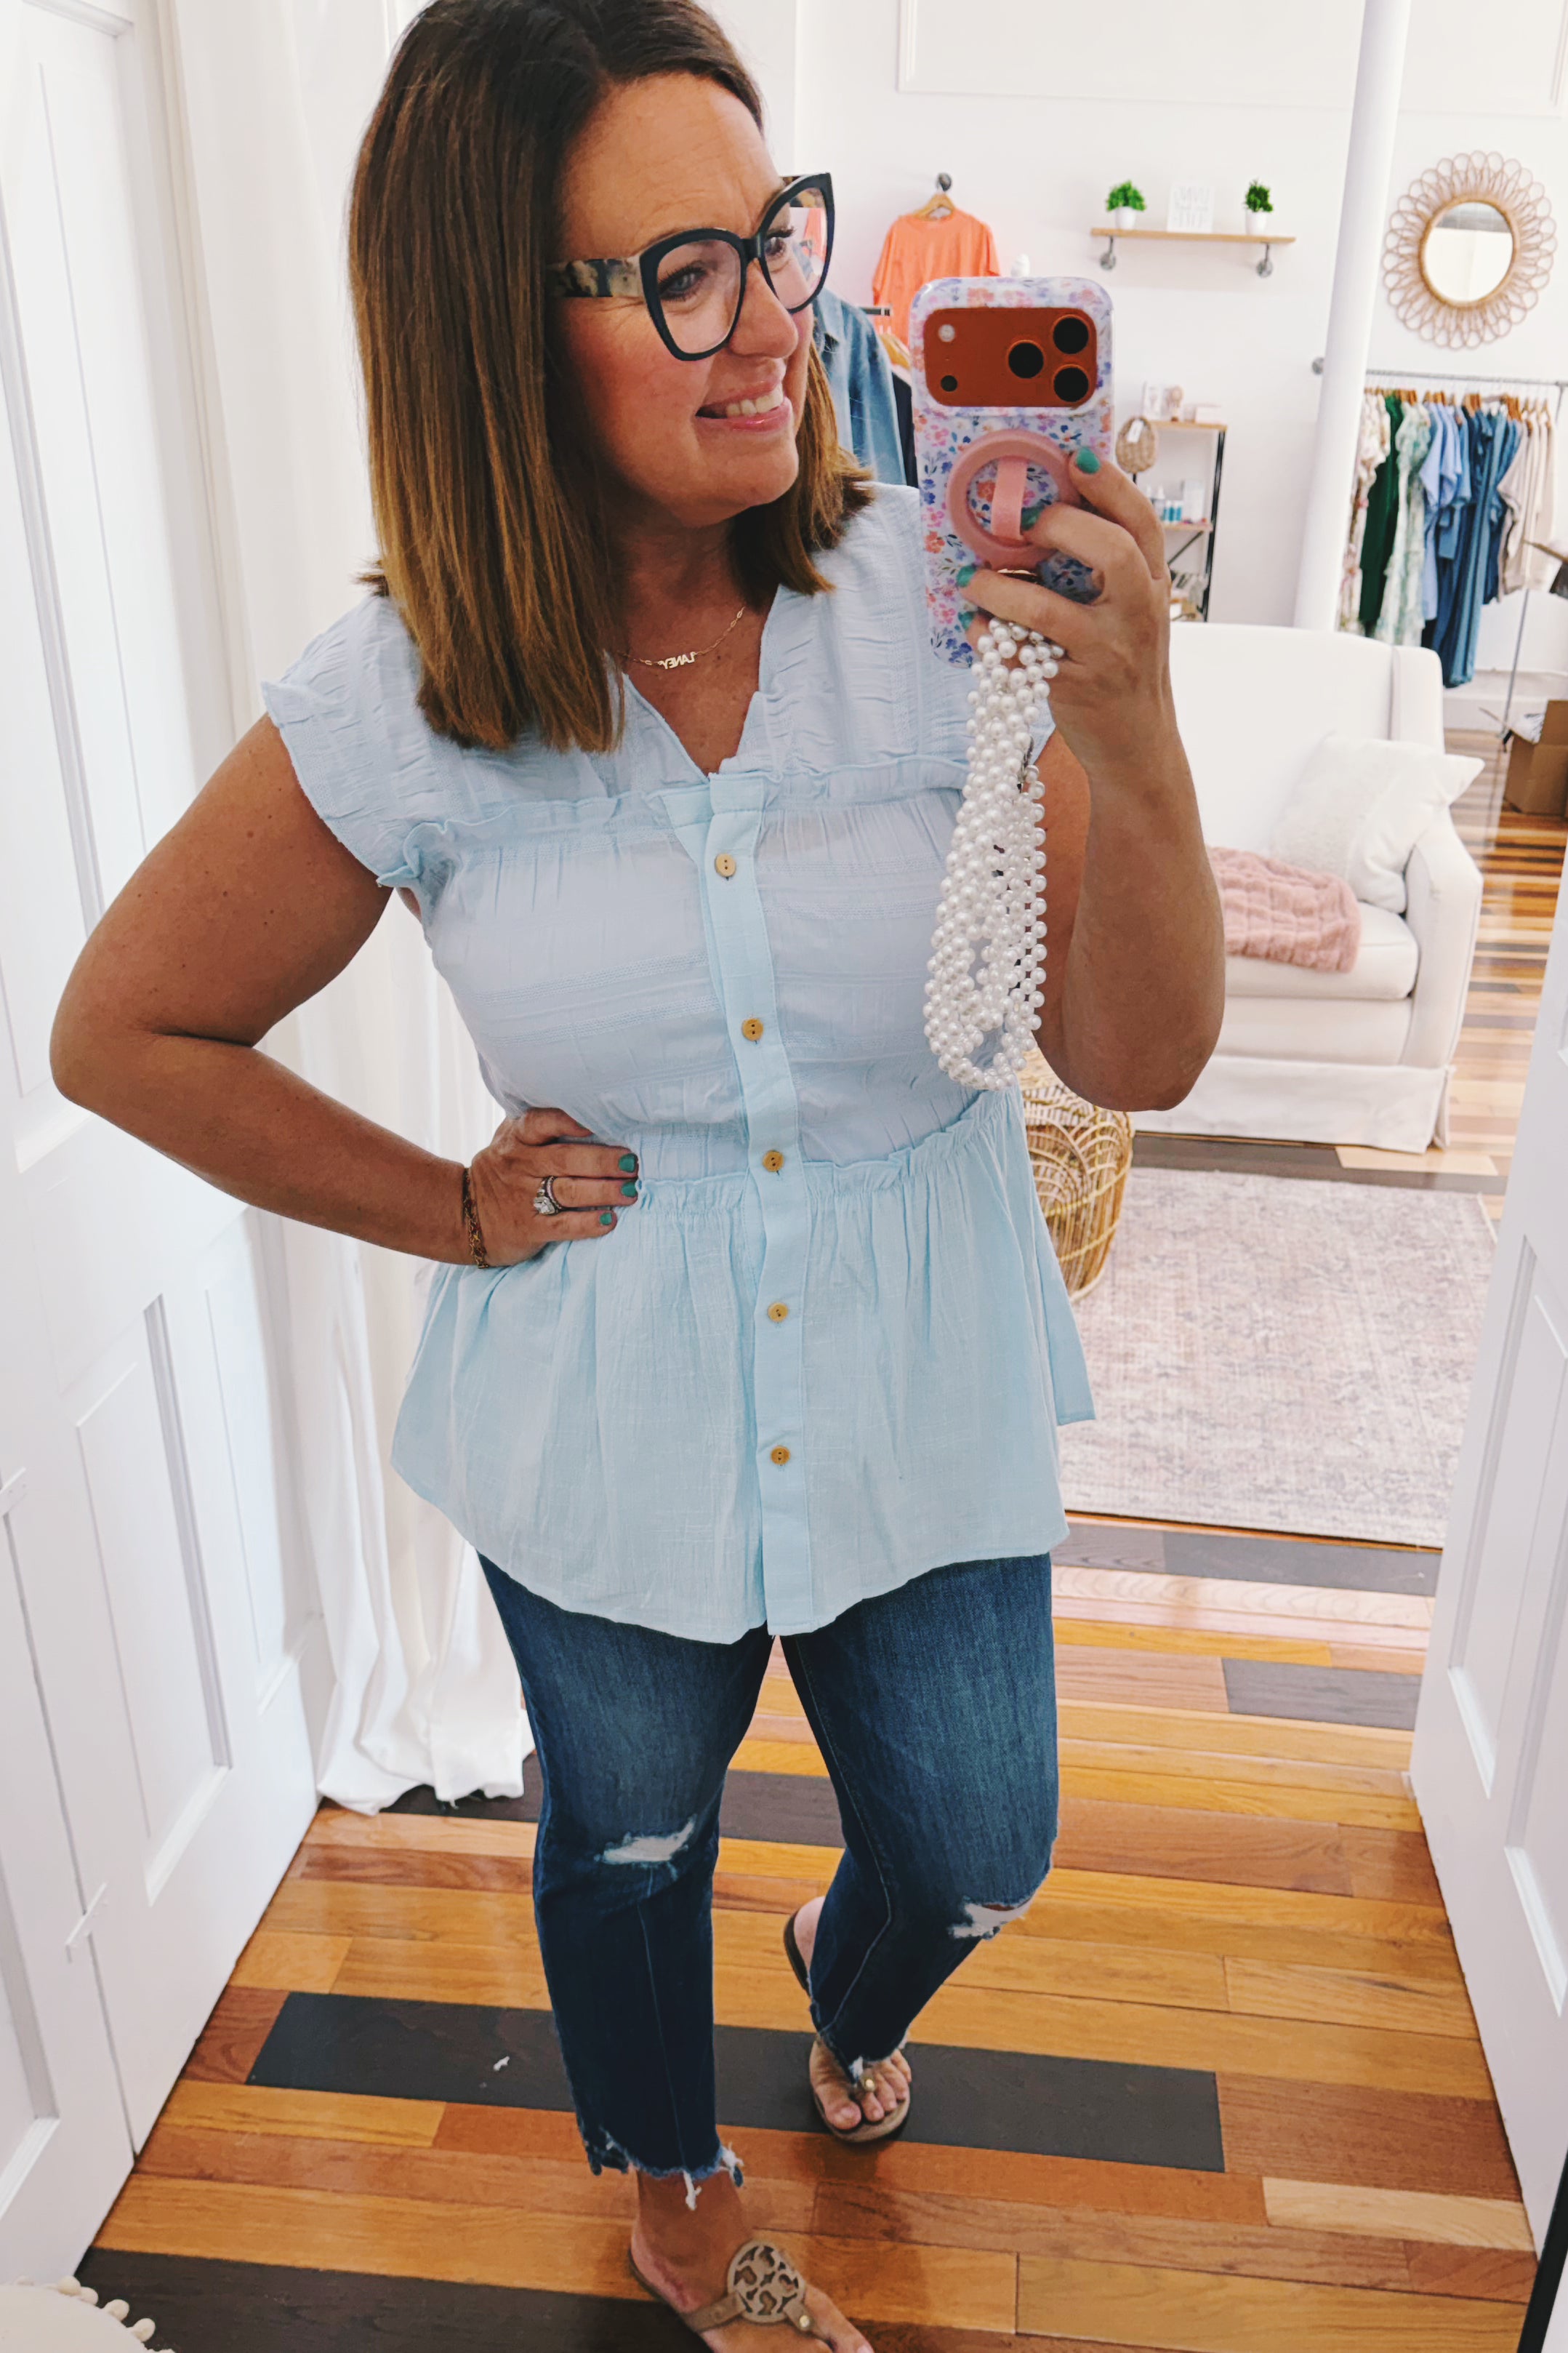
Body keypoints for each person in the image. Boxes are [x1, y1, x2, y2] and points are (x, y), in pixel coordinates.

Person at [49, 3, 1224, 2344]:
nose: (778, 318)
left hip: (917, 1366)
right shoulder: (402, 692)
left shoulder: (940, 602)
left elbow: (1138, 1054)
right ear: (500, 328)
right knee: (623, 1836)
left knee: (979, 1841)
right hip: (605, 1397)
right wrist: (450, 1204)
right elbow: (123, 1030)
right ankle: (678, 2191)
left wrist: (1136, 724)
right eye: (686, 274)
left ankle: (844, 1975)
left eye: (773, 239)